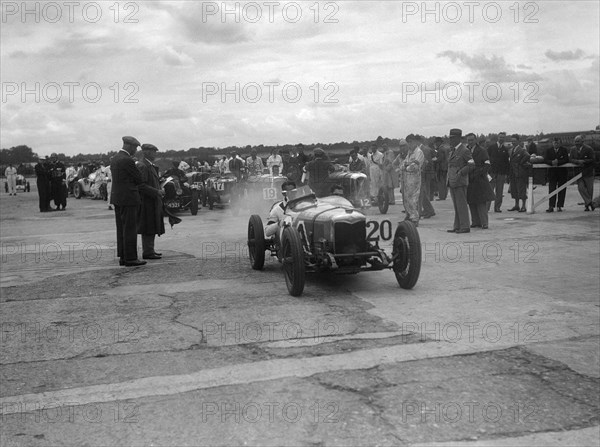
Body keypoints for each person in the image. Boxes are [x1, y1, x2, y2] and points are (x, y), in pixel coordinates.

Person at [110, 136, 146, 267]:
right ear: (129, 146)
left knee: (121, 229)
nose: (135, 150)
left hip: (118, 197)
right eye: (135, 147)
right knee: (130, 229)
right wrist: (138, 166)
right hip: (129, 198)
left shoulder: (115, 158)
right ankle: (131, 258)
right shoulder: (128, 160)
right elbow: (139, 179)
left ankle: (123, 257)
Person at [137, 144, 165, 260]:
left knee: (152, 225)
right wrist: (156, 192)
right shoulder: (143, 166)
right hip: (147, 201)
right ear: (146, 152)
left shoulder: (149, 165)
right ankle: (148, 251)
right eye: (153, 151)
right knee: (148, 226)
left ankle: (150, 249)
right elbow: (141, 185)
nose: (155, 154)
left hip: (151, 200)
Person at [447, 128, 474, 233]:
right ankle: (457, 226)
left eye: (453, 138)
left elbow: (472, 165)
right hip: (453, 181)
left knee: (461, 205)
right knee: (456, 205)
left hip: (460, 181)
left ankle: (465, 226)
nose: (451, 140)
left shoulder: (465, 150)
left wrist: (461, 172)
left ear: (459, 138)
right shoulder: (453, 150)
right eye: (450, 138)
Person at [466, 133, 494, 229]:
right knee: (471, 202)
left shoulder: (482, 151)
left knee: (481, 203)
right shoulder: (466, 150)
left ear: (476, 140)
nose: (470, 142)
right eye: (468, 140)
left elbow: (487, 164)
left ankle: (484, 223)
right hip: (469, 180)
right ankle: (475, 222)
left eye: (471, 140)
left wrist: (479, 173)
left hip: (480, 180)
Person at [399, 138, 424, 226]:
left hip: (414, 180)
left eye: (410, 142)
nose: (409, 145)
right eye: (408, 143)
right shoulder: (410, 153)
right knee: (406, 199)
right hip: (406, 180)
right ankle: (409, 216)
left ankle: (415, 218)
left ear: (414, 142)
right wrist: (405, 166)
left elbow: (415, 166)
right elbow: (403, 164)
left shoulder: (418, 152)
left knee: (413, 200)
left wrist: (407, 166)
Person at [569, 135, 595, 211]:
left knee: (589, 189)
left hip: (588, 172)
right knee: (581, 188)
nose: (576, 143)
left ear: (582, 142)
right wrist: (577, 162)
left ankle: (587, 206)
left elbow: (593, 160)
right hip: (578, 173)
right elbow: (570, 159)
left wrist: (584, 161)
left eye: (578, 141)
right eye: (575, 141)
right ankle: (590, 203)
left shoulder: (589, 149)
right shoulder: (572, 149)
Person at [544, 138, 570, 212]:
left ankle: (560, 206)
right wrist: (551, 162)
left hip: (562, 173)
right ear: (552, 143)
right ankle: (551, 206)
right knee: (552, 189)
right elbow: (545, 159)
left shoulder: (564, 150)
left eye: (557, 143)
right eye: (555, 143)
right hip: (552, 173)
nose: (556, 144)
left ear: (560, 143)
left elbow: (566, 159)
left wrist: (558, 162)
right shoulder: (548, 150)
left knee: (562, 189)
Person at [487, 132, 510, 212]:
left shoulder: (505, 150)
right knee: (490, 191)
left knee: (499, 192)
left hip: (501, 173)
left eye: (503, 137)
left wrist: (506, 174)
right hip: (492, 173)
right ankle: (486, 208)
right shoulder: (491, 147)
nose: (501, 139)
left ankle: (497, 207)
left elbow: (507, 162)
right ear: (498, 137)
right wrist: (487, 171)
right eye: (500, 137)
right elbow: (486, 159)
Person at [508, 135, 531, 212]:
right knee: (514, 190)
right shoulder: (511, 150)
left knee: (521, 190)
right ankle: (516, 205)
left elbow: (528, 155)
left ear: (518, 141)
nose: (513, 142)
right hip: (513, 173)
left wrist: (521, 163)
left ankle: (523, 206)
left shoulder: (521, 150)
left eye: (514, 140)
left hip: (520, 173)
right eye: (512, 141)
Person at [414, 136, 435, 218]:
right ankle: (427, 209)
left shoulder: (424, 149)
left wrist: (422, 171)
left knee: (423, 193)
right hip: (421, 174)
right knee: (422, 192)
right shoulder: (419, 149)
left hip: (424, 174)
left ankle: (429, 210)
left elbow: (426, 162)